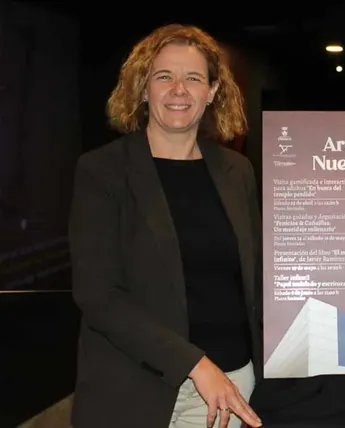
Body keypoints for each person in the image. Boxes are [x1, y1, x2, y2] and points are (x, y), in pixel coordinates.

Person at [68, 24, 263, 428]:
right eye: (163, 77)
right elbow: (98, 294)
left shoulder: (237, 171)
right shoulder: (103, 171)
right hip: (134, 392)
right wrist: (195, 364)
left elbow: (258, 276)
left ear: (212, 91)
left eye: (193, 78)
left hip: (228, 388)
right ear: (143, 89)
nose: (179, 90)